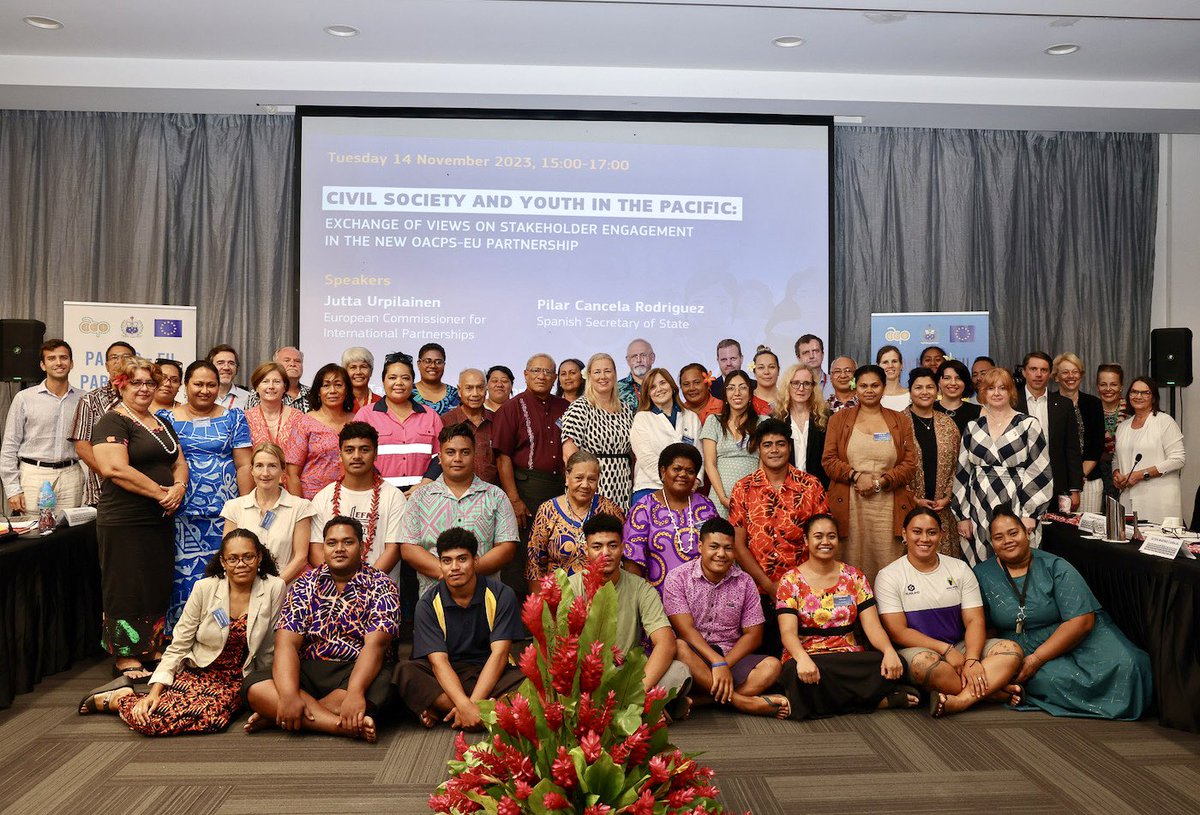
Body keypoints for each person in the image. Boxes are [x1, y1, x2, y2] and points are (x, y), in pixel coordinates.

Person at [78, 529, 286, 734]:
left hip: (237, 679)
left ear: (259, 557)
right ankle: (119, 697)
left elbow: (271, 646)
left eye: (248, 557)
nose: (241, 564)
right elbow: (179, 645)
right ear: (223, 562)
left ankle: (122, 697)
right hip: (199, 669)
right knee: (152, 716)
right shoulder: (204, 588)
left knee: (213, 719)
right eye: (233, 559)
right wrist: (154, 692)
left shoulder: (274, 588)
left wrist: (269, 691)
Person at [975, 509, 1153, 719]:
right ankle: (1010, 691)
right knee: (1053, 681)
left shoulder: (1055, 566)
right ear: (992, 544)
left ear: (1027, 533)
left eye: (1014, 533)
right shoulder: (982, 574)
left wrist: (1037, 659)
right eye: (999, 537)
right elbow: (981, 626)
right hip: (1022, 642)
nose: (1008, 541)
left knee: (1130, 665)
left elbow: (1082, 621)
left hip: (1073, 633)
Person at [244, 516, 400, 741]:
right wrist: (288, 695)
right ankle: (339, 726)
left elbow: (375, 647)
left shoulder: (381, 585)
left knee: (384, 684)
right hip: (311, 668)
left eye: (348, 542)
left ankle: (280, 716)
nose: (339, 549)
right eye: (331, 543)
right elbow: (286, 643)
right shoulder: (305, 583)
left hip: (356, 669)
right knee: (256, 685)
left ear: (362, 547)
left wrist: (355, 692)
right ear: (324, 547)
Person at [875, 508, 1023, 718]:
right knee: (925, 665)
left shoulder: (959, 568)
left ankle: (962, 700)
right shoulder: (889, 576)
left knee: (1011, 650)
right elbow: (898, 631)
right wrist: (945, 650)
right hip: (917, 650)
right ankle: (993, 692)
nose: (924, 538)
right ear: (905, 534)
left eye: (931, 532)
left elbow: (974, 620)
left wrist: (971, 659)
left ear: (942, 534)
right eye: (917, 532)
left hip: (960, 646)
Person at [91, 356, 187, 679]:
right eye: (136, 383)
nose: (145, 388)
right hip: (124, 519)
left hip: (159, 518)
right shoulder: (113, 421)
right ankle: (125, 654)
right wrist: (162, 493)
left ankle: (150, 646)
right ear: (121, 384)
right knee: (126, 585)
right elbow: (113, 468)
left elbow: (178, 461)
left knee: (155, 582)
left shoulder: (160, 422)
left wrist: (179, 486)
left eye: (150, 382)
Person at [775, 514, 916, 720]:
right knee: (794, 674)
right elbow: (787, 632)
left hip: (849, 656)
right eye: (818, 536)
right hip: (808, 654)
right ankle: (879, 701)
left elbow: (873, 627)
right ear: (806, 540)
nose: (825, 542)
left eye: (831, 536)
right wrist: (803, 659)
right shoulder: (790, 580)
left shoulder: (854, 576)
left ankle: (823, 703)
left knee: (894, 663)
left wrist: (888, 651)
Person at [396, 528, 527, 729]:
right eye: (447, 561)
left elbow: (500, 655)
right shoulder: (427, 603)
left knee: (532, 680)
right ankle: (490, 714)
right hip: (448, 676)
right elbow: (439, 663)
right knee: (405, 671)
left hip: (492, 673)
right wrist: (465, 704)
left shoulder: (502, 595)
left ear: (475, 561)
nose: (454, 567)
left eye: (462, 559)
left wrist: (470, 704)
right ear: (440, 563)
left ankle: (451, 711)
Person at [568, 514, 692, 720]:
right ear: (586, 551)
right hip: (582, 679)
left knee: (679, 671)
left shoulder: (640, 589)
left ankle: (628, 710)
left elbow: (666, 643)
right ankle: (647, 712)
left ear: (623, 548)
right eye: (597, 547)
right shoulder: (570, 587)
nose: (605, 553)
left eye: (612, 546)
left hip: (626, 676)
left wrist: (636, 693)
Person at [664, 517, 788, 718]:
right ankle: (742, 702)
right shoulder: (678, 578)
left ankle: (700, 701)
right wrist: (716, 662)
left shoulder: (745, 582)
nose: (721, 554)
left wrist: (724, 664)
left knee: (772, 666)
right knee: (678, 647)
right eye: (714, 546)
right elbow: (685, 630)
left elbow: (754, 635)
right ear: (701, 546)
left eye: (728, 548)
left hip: (731, 656)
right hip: (694, 655)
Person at [161, 360, 252, 632]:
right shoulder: (166, 420)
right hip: (180, 514)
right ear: (185, 386)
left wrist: (245, 507)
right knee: (182, 579)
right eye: (198, 384)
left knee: (222, 577)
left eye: (211, 384)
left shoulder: (234, 417)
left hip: (224, 515)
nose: (204, 390)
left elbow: (244, 465)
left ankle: (221, 638)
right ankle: (180, 640)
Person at [729, 419, 830, 656]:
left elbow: (823, 540)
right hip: (757, 591)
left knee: (804, 657)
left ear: (789, 447)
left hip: (805, 589)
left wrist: (789, 586)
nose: (774, 450)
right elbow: (738, 545)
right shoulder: (743, 488)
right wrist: (769, 586)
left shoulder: (811, 485)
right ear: (758, 449)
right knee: (765, 658)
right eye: (767, 445)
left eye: (780, 444)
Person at [821, 364, 917, 585]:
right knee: (850, 563)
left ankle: (886, 615)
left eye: (875, 385)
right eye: (863, 386)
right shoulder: (839, 419)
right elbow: (829, 460)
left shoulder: (900, 421)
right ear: (856, 388)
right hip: (850, 502)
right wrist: (855, 476)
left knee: (886, 564)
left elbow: (910, 464)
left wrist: (880, 482)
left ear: (883, 387)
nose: (869, 390)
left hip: (888, 504)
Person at [399, 422, 518, 598]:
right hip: (433, 597)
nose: (457, 458)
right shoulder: (420, 497)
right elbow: (409, 548)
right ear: (439, 457)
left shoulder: (495, 496)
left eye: (465, 452)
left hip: (486, 598)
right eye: (450, 452)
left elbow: (507, 547)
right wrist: (448, 574)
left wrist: (468, 572)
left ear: (474, 455)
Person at [953, 367, 1053, 565]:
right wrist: (962, 516)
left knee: (1018, 559)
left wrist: (1030, 514)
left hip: (1016, 502)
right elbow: (962, 472)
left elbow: (1040, 470)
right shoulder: (973, 426)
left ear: (1011, 392)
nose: (996, 393)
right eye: (991, 388)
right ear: (983, 392)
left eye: (1002, 388)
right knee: (981, 564)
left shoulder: (1028, 424)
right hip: (978, 506)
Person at [492, 353, 570, 596]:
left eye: (547, 372)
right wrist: (514, 500)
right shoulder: (511, 408)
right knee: (526, 552)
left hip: (559, 488)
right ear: (525, 375)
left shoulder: (566, 407)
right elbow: (502, 457)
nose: (541, 376)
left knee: (557, 549)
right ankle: (524, 616)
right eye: (536, 371)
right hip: (526, 489)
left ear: (554, 377)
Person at [308, 422, 406, 575]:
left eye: (364, 450)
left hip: (379, 592)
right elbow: (316, 550)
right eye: (349, 450)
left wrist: (363, 585)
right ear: (340, 455)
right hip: (332, 593)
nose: (356, 456)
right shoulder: (323, 498)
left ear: (376, 454)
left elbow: (393, 550)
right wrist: (340, 583)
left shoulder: (394, 497)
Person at [623, 443, 718, 594]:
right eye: (677, 469)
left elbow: (718, 548)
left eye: (690, 471)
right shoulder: (644, 508)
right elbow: (632, 560)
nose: (683, 474)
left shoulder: (706, 506)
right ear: (663, 471)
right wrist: (640, 602)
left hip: (703, 597)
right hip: (657, 601)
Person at [2, 339, 83, 514]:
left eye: (64, 357)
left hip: (71, 476)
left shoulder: (84, 399)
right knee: (33, 536)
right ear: (43, 365)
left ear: (72, 363)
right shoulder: (24, 398)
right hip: (33, 475)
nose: (59, 363)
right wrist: (13, 489)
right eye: (51, 358)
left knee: (68, 535)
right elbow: (9, 446)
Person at [526, 450, 626, 587]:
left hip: (601, 597)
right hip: (558, 598)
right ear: (567, 477)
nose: (585, 485)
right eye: (579, 478)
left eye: (591, 479)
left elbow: (624, 553)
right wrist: (541, 606)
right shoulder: (547, 510)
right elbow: (534, 566)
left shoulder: (610, 510)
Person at [221, 442, 314, 583]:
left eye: (272, 466)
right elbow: (228, 554)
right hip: (244, 588)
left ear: (283, 470)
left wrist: (273, 587)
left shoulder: (300, 507)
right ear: (251, 470)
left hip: (285, 588)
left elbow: (300, 558)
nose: (265, 473)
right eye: (259, 466)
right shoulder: (234, 507)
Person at [355, 352, 442, 491]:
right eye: (392, 377)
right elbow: (357, 455)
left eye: (405, 378)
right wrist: (384, 488)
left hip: (423, 495)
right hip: (379, 495)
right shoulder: (365, 415)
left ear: (412, 382)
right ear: (383, 381)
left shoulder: (430, 415)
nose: (399, 383)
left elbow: (441, 455)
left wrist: (424, 484)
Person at [560, 352, 634, 507]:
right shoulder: (579, 408)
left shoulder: (626, 409)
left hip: (623, 485)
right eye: (597, 372)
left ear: (615, 375)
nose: (603, 376)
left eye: (608, 371)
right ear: (589, 376)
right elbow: (569, 453)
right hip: (591, 485)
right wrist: (584, 483)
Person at [1015, 352, 1083, 511]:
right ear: (1024, 372)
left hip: (1056, 484)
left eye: (1044, 370)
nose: (1038, 374)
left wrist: (1074, 488)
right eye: (1033, 369)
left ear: (1050, 373)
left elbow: (1072, 448)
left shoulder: (1064, 405)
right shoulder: (1012, 402)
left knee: (1056, 533)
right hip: (1019, 483)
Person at [905, 367, 961, 557]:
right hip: (908, 507)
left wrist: (948, 496)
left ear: (937, 390)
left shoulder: (948, 424)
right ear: (910, 391)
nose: (924, 392)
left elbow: (958, 465)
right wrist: (913, 498)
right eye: (918, 387)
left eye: (930, 387)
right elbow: (889, 465)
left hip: (943, 511)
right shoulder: (897, 422)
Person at [1114, 376, 1186, 524]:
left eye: (1145, 393)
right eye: (1134, 392)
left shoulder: (1164, 421)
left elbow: (1178, 460)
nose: (1138, 396)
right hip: (1127, 498)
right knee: (1129, 545)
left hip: (1158, 499)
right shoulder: (1123, 426)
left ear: (1153, 398)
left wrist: (1141, 474)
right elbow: (1116, 457)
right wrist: (1116, 475)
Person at [71, 340, 135, 507]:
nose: (119, 361)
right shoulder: (90, 400)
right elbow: (82, 446)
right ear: (106, 365)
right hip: (103, 490)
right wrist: (114, 476)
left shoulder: (144, 397)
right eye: (114, 357)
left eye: (126, 357)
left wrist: (136, 480)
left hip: (142, 490)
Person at [629, 368, 701, 503]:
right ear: (648, 393)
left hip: (685, 489)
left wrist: (694, 480)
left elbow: (699, 455)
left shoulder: (691, 417)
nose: (659, 389)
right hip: (650, 488)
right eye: (653, 387)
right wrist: (673, 482)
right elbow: (647, 459)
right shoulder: (642, 419)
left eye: (663, 383)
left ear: (672, 386)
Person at [284, 363, 355, 499]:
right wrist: (301, 510)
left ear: (347, 390)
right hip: (312, 502)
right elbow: (292, 473)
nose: (332, 390)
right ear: (318, 391)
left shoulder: (357, 420)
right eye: (326, 385)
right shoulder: (305, 422)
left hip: (350, 499)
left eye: (338, 385)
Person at [700, 369, 758, 519]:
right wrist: (723, 498)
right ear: (725, 395)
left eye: (743, 387)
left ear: (750, 393)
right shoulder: (714, 421)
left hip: (754, 498)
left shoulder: (762, 422)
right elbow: (709, 464)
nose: (737, 393)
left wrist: (755, 495)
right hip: (720, 497)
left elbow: (765, 463)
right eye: (731, 388)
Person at [1053, 353, 1107, 515]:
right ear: (1056, 377)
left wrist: (1076, 478)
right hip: (1058, 481)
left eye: (1075, 372)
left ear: (1081, 375)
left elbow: (1096, 446)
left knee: (1088, 533)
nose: (1071, 376)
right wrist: (1068, 480)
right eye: (1065, 372)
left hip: (1089, 480)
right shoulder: (1049, 403)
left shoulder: (1094, 404)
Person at [773, 363, 830, 488]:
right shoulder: (776, 419)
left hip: (818, 490)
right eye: (795, 383)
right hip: (784, 490)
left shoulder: (826, 418)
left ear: (813, 387)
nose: (801, 388)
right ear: (787, 385)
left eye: (807, 383)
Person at [440, 368, 499, 485]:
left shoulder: (497, 420)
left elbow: (503, 461)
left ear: (486, 390)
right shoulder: (445, 421)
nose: (475, 394)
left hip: (491, 493)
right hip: (455, 492)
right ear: (459, 390)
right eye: (469, 388)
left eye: (480, 388)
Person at [244, 361, 304, 451]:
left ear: (285, 387)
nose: (271, 386)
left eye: (276, 382)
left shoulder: (298, 417)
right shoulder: (245, 418)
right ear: (256, 387)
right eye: (265, 381)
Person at [1095, 363, 1128, 502]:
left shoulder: (1132, 411)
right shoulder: (1090, 409)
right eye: (1103, 384)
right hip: (1096, 476)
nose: (1108, 389)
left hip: (1127, 473)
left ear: (1121, 386)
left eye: (1113, 384)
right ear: (1097, 386)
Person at [247, 346, 308, 411]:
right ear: (276, 364)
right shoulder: (260, 393)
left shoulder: (313, 393)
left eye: (297, 361)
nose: (292, 364)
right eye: (287, 360)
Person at [933, 359, 981, 435]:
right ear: (938, 382)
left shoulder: (978, 412)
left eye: (958, 378)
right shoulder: (929, 409)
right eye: (947, 378)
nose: (953, 383)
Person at [412, 342, 461, 415]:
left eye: (438, 362)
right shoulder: (408, 393)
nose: (433, 366)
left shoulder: (456, 395)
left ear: (444, 365)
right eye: (428, 361)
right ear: (419, 364)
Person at [678, 362, 723, 428]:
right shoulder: (679, 413)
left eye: (697, 382)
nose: (691, 388)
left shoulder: (723, 408)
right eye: (686, 384)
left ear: (708, 384)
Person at [206, 344, 250, 410]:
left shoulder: (247, 399)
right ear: (209, 367)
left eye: (231, 363)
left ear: (236, 368)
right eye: (220, 363)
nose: (226, 367)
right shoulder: (201, 396)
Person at [618, 338, 655, 410]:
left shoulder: (663, 386)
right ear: (628, 361)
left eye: (643, 355)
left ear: (652, 358)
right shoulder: (617, 389)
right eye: (634, 356)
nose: (639, 360)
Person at [342, 346, 381, 412]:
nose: (358, 372)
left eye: (363, 367)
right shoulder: (340, 401)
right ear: (345, 372)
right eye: (353, 367)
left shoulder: (380, 403)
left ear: (371, 371)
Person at [876, 345, 910, 411]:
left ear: (901, 365)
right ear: (878, 366)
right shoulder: (872, 396)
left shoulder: (912, 396)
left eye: (894, 361)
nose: (890, 366)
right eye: (885, 362)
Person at [750, 346, 781, 416]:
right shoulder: (747, 401)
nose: (766, 372)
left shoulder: (788, 399)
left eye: (771, 367)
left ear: (778, 370)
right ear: (754, 372)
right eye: (761, 367)